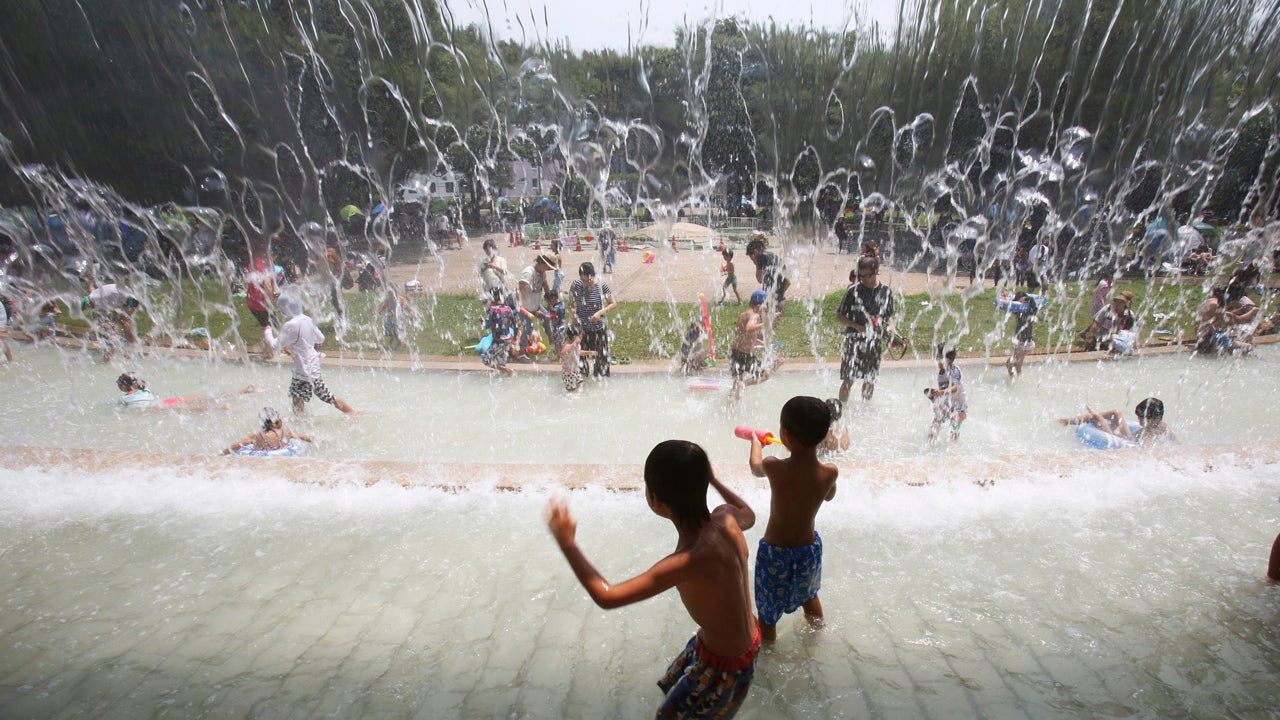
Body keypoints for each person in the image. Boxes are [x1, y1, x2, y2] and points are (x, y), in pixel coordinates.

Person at [546, 440, 759, 718]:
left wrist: (567, 543)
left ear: (654, 499)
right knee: (672, 687)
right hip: (739, 642)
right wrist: (716, 480)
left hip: (723, 671)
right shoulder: (727, 518)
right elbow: (749, 514)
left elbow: (607, 596)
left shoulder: (686, 561)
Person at [748, 396, 838, 643]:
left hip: (775, 553)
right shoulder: (829, 472)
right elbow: (829, 496)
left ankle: (768, 656)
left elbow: (755, 467)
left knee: (768, 613)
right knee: (810, 596)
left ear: (785, 436)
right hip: (808, 551)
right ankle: (819, 638)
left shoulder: (775, 467)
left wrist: (756, 442)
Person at [276, 295, 358, 414]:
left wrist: (267, 331)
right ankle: (351, 412)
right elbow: (320, 338)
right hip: (313, 367)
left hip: (302, 370)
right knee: (326, 396)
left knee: (297, 397)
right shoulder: (308, 320)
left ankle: (299, 424)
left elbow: (276, 345)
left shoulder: (291, 324)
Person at [836, 256, 895, 402]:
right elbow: (839, 316)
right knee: (848, 379)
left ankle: (865, 410)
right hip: (854, 342)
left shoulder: (886, 291)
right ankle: (841, 410)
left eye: (867, 275)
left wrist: (893, 329)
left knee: (870, 380)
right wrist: (857, 326)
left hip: (874, 342)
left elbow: (888, 316)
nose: (863, 279)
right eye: (861, 276)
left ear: (876, 272)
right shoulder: (853, 291)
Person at [1057, 397, 1175, 447]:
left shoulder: (1150, 434)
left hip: (1123, 441)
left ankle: (1066, 421)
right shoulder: (1161, 426)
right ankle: (1070, 420)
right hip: (1129, 438)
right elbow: (1175, 441)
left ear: (1154, 418)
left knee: (1097, 417)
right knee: (1116, 412)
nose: (1138, 420)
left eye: (1141, 417)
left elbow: (1143, 451)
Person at [115, 372, 259, 411]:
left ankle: (221, 408)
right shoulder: (145, 390)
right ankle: (244, 390)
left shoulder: (124, 399)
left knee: (191, 409)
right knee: (207, 397)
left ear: (123, 387)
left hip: (157, 407)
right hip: (165, 401)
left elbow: (122, 411)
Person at [568, 262, 616, 377]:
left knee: (601, 359)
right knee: (579, 358)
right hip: (581, 330)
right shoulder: (576, 285)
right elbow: (570, 303)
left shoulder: (601, 286)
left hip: (598, 328)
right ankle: (581, 380)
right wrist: (573, 312)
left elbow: (613, 304)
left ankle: (601, 381)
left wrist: (599, 313)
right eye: (583, 280)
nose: (585, 283)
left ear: (592, 276)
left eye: (587, 280)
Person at [730, 290, 777, 400]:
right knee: (764, 375)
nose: (763, 310)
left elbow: (743, 335)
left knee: (735, 387)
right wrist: (765, 324)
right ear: (758, 305)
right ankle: (744, 385)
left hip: (735, 353)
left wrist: (761, 343)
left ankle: (730, 407)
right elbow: (749, 328)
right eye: (764, 307)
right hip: (746, 356)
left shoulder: (742, 315)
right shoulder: (754, 315)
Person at [222, 407, 315, 455]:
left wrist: (222, 453)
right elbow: (308, 438)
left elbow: (237, 446)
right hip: (283, 455)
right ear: (278, 421)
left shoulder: (257, 436)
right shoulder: (287, 433)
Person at [83, 284, 140, 362]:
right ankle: (123, 347)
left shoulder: (98, 301)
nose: (89, 309)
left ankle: (132, 344)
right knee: (114, 325)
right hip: (128, 296)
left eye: (88, 308)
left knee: (122, 322)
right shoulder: (93, 295)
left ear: (89, 304)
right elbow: (91, 288)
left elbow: (112, 305)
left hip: (131, 300)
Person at [517, 253, 557, 355]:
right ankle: (521, 352)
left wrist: (550, 302)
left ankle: (551, 339)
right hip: (525, 307)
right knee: (528, 327)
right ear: (542, 263)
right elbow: (519, 289)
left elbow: (546, 286)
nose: (548, 270)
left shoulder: (542, 274)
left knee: (547, 318)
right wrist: (520, 305)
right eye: (548, 267)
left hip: (536, 306)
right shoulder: (528, 272)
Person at [927, 346, 967, 441]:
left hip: (959, 408)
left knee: (954, 431)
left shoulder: (954, 370)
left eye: (937, 358)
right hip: (947, 405)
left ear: (947, 360)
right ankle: (930, 445)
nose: (935, 360)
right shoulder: (941, 371)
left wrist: (940, 392)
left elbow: (955, 387)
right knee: (935, 425)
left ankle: (956, 452)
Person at [745, 238, 789, 318]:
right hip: (780, 302)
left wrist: (757, 264)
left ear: (755, 252)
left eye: (752, 259)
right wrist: (778, 294)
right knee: (769, 328)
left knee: (763, 326)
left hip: (770, 303)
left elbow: (759, 279)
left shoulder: (761, 257)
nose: (753, 261)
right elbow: (788, 283)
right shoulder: (775, 258)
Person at [245, 255, 278, 360]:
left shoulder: (252, 264)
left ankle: (266, 351)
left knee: (266, 325)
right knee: (270, 325)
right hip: (262, 303)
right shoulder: (266, 267)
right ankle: (268, 353)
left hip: (252, 302)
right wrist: (270, 302)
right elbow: (267, 284)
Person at [481, 295, 517, 377]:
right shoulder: (508, 309)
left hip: (498, 342)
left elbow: (486, 325)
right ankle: (507, 378)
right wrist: (514, 338)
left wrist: (481, 320)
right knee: (501, 362)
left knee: (486, 360)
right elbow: (515, 325)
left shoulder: (492, 310)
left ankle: (508, 371)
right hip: (508, 340)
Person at [1078, 270, 1114, 350]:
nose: (1112, 279)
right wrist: (1103, 304)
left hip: (1103, 303)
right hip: (1098, 304)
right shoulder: (1103, 283)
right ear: (1108, 277)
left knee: (1097, 320)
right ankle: (1085, 333)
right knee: (1098, 320)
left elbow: (1108, 294)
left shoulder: (1108, 284)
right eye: (1111, 277)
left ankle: (1084, 332)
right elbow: (1099, 294)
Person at [1005, 290, 1037, 377]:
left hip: (1027, 343)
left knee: (1012, 363)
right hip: (1019, 341)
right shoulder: (1018, 312)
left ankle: (1015, 380)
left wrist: (1027, 298)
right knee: (1015, 364)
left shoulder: (1030, 312)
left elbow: (1034, 305)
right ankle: (1012, 378)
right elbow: (1009, 307)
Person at [558, 325, 595, 392]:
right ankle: (569, 399)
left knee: (581, 384)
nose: (582, 337)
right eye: (580, 336)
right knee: (571, 391)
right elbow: (563, 353)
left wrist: (589, 352)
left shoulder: (577, 345)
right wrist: (574, 343)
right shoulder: (568, 345)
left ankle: (579, 397)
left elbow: (578, 352)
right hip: (568, 373)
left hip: (575, 370)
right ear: (575, 337)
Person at [479, 238, 508, 304]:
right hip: (488, 289)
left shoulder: (501, 260)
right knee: (490, 309)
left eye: (488, 250)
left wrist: (494, 266)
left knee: (499, 306)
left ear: (493, 249)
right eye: (485, 250)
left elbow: (505, 272)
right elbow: (480, 274)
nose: (487, 252)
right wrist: (485, 268)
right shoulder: (484, 262)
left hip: (499, 287)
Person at [379, 284, 407, 349]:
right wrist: (378, 313)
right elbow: (383, 307)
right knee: (391, 332)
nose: (389, 294)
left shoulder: (400, 299)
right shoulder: (388, 300)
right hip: (390, 319)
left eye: (390, 293)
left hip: (398, 319)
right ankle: (393, 344)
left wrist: (411, 312)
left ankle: (398, 344)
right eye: (389, 293)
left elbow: (407, 306)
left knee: (396, 332)